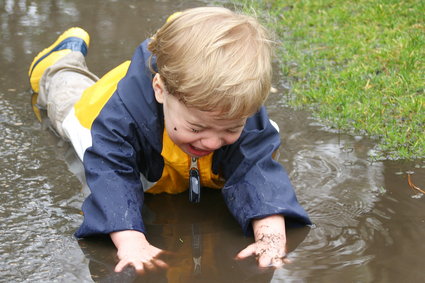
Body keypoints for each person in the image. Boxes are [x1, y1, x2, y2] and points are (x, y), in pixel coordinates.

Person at [28, 6, 311, 273]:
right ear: (160, 90)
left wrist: (271, 237)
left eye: (229, 129)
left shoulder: (235, 108)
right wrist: (131, 241)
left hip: (164, 96)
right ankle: (59, 61)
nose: (212, 142)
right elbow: (112, 177)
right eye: (197, 128)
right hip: (94, 110)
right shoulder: (119, 125)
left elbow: (258, 172)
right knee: (66, 99)